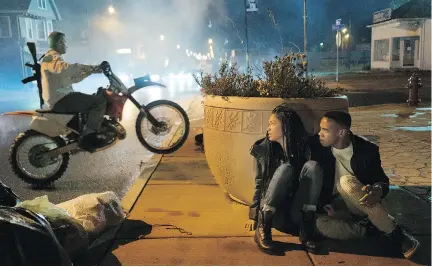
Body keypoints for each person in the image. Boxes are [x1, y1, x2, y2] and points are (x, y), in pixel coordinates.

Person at [310, 110, 420, 259]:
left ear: (342, 132)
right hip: (337, 206)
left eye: (325, 130)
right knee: (319, 225)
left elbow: (382, 181)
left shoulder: (367, 150)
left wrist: (378, 189)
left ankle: (397, 234)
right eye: (320, 129)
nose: (319, 134)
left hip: (361, 201)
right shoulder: (317, 147)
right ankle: (370, 228)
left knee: (346, 182)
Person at [245, 104, 324, 254]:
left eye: (273, 123)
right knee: (286, 169)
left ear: (286, 126)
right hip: (275, 213)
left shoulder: (307, 148)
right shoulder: (263, 149)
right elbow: (259, 183)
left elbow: (317, 181)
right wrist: (254, 217)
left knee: (313, 166)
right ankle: (263, 228)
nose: (268, 128)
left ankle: (306, 231)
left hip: (297, 212)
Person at [41, 31, 108, 151]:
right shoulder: (52, 58)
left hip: (61, 97)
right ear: (60, 42)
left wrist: (92, 71)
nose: (66, 45)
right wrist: (91, 67)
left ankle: (81, 132)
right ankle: (89, 137)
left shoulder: (53, 58)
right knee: (98, 102)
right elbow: (66, 69)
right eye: (65, 42)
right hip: (61, 99)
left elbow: (73, 78)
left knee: (89, 99)